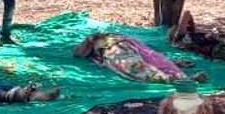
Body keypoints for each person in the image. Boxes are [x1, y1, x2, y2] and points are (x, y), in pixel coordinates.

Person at [73, 32, 207, 84]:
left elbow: (78, 53)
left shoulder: (99, 40)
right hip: (122, 47)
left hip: (117, 48)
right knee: (143, 66)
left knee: (138, 69)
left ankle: (182, 79)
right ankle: (181, 78)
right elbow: (150, 57)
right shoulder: (106, 40)